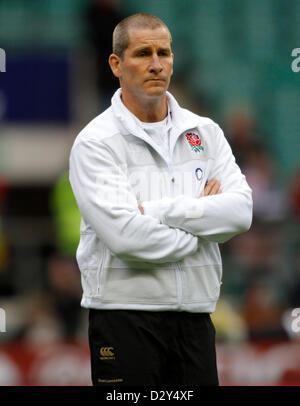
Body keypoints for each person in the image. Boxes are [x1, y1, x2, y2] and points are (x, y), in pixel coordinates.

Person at [69, 13, 253, 386]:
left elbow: (240, 213)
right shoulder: (95, 143)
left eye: (164, 53)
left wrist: (156, 212)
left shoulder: (206, 132)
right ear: (116, 64)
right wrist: (202, 226)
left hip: (196, 318)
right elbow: (127, 237)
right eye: (143, 54)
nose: (156, 64)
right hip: (124, 318)